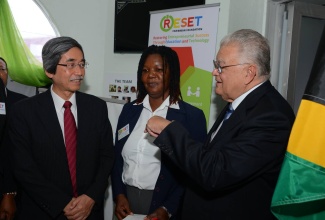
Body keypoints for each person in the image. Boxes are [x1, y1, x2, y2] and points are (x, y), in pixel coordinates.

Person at [146, 29, 296, 219]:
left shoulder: (271, 116)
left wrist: (170, 130)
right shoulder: (238, 104)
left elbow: (215, 173)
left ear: (249, 72)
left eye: (221, 66)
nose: (214, 72)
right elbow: (211, 157)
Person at [8, 36, 114, 220]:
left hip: (89, 212)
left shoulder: (97, 107)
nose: (79, 72)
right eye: (70, 64)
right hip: (43, 211)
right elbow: (23, 167)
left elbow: (107, 157)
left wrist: (90, 198)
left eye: (82, 64)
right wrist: (62, 204)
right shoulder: (24, 111)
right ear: (49, 70)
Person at [111, 45, 207, 220]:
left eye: (159, 69)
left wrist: (168, 208)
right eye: (145, 70)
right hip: (126, 203)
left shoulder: (191, 117)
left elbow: (194, 172)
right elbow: (117, 158)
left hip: (163, 204)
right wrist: (119, 194)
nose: (151, 75)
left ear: (173, 74)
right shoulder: (129, 111)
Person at [0, 57, 27, 220]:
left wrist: (9, 193)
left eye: (1, 68)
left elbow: (15, 152)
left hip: (10, 189)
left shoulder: (21, 104)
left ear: (7, 74)